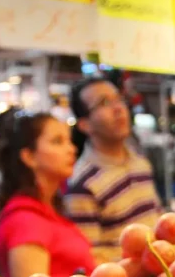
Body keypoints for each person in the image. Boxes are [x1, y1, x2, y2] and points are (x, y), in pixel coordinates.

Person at [64, 77, 163, 264]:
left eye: (118, 99)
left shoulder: (138, 159)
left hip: (161, 274)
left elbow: (155, 217)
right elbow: (91, 259)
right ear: (85, 124)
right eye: (104, 103)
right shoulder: (83, 183)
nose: (118, 109)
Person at [0, 110, 95, 277]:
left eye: (69, 140)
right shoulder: (24, 220)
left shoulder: (48, 209)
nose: (71, 149)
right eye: (57, 142)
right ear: (29, 157)